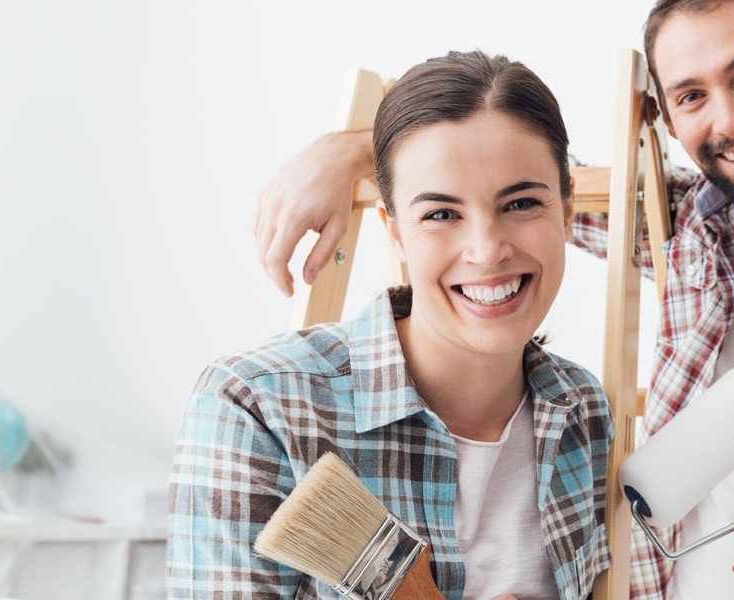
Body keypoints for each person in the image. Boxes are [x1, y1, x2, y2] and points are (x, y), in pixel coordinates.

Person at [248, 2, 734, 599]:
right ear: (666, 118)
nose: (728, 121)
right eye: (693, 96)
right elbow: (508, 171)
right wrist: (350, 151)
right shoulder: (672, 224)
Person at [170, 50, 610, 600]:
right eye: (441, 214)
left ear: (569, 210)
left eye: (521, 203)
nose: (487, 250)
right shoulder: (257, 406)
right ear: (394, 232)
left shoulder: (584, 411)